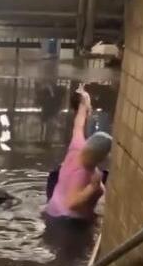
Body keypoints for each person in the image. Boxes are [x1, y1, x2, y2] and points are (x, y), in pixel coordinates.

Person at [45, 84, 112, 221]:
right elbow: (71, 204)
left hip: (52, 207)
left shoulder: (77, 147)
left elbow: (78, 125)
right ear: (101, 158)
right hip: (65, 219)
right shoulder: (85, 175)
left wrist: (84, 103)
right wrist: (92, 189)